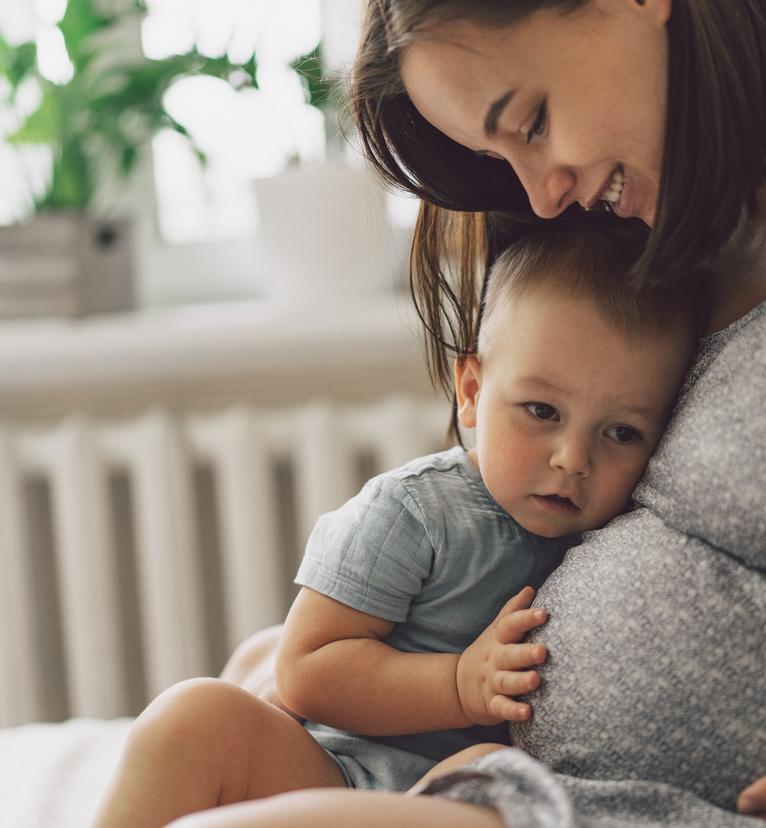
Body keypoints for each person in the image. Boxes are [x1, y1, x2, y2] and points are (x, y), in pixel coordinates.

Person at [128, 1, 766, 826]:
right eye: (501, 158)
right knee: (207, 718)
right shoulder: (683, 192)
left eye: (533, 121)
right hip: (510, 773)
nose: (544, 199)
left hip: (662, 806)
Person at [90, 221, 702, 827]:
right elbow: (308, 668)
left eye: (622, 433)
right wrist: (457, 684)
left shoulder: (623, 535)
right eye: (541, 411)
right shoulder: (416, 512)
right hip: (332, 770)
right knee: (195, 716)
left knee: (491, 765)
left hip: (454, 796)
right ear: (471, 390)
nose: (574, 458)